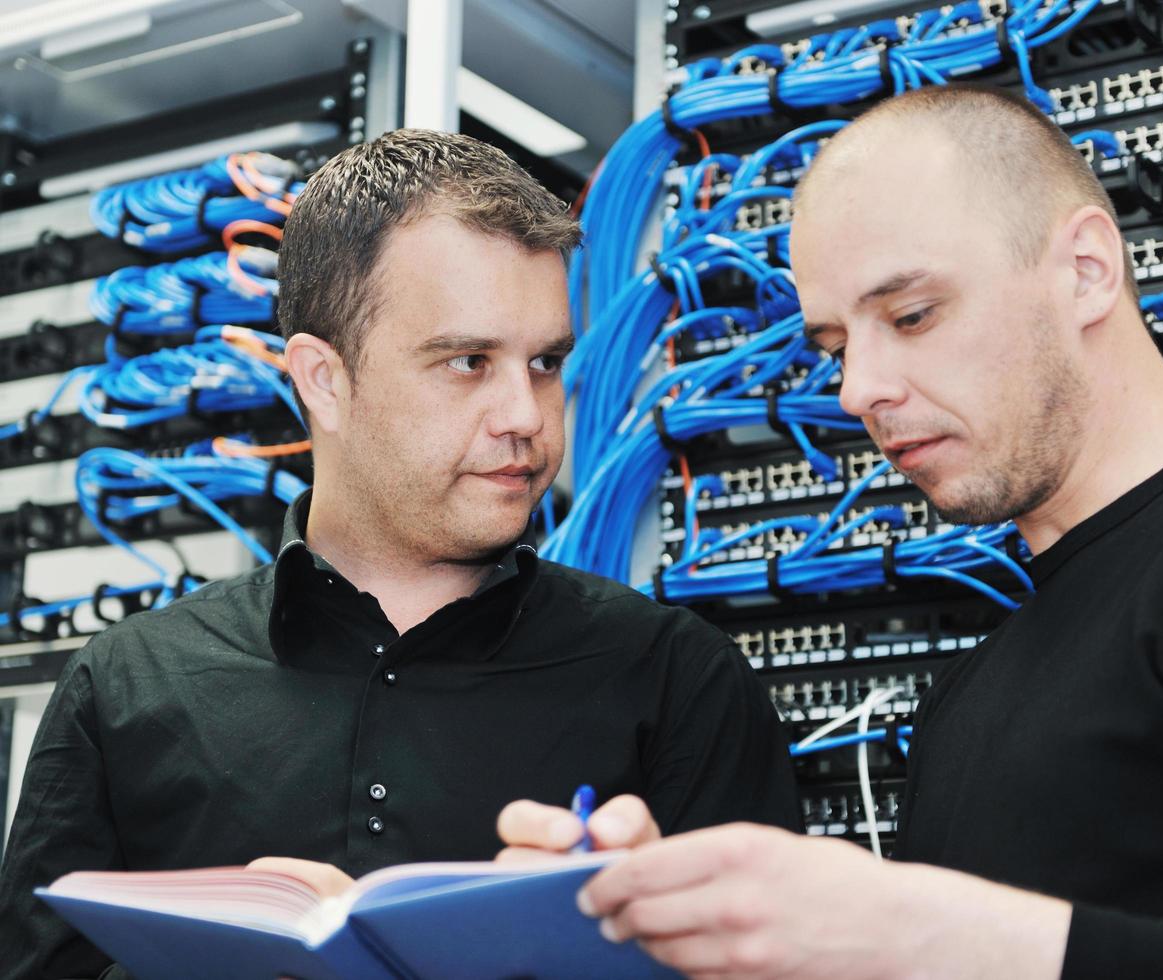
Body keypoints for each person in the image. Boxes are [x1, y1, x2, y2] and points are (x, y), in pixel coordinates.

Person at [496, 85, 1163, 978]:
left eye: (910, 316)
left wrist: (915, 932)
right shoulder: (965, 701)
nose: (857, 389)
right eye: (834, 348)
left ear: (1088, 269)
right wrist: (637, 924)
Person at [0, 129, 801, 980]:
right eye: (466, 361)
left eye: (543, 362)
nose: (524, 415)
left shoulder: (676, 679)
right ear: (323, 380)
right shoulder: (130, 685)